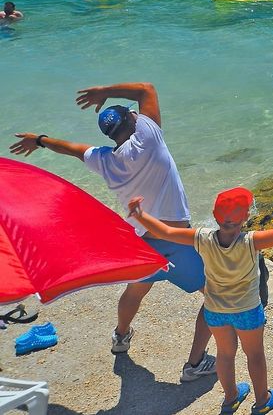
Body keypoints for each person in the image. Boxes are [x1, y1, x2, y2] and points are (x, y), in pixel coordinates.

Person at [8, 82, 217, 382]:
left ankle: (121, 337)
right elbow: (146, 89)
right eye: (134, 115)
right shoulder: (148, 140)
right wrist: (104, 91)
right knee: (217, 296)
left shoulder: (106, 161)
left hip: (143, 245)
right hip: (176, 243)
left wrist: (39, 140)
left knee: (136, 289)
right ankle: (195, 364)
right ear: (133, 121)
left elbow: (73, 149)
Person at [126, 176, 273, 415]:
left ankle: (231, 398)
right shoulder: (251, 242)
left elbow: (166, 232)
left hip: (216, 311)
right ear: (246, 218)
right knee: (255, 355)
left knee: (225, 355)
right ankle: (262, 400)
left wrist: (139, 215)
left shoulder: (202, 238)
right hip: (247, 311)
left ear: (215, 215)